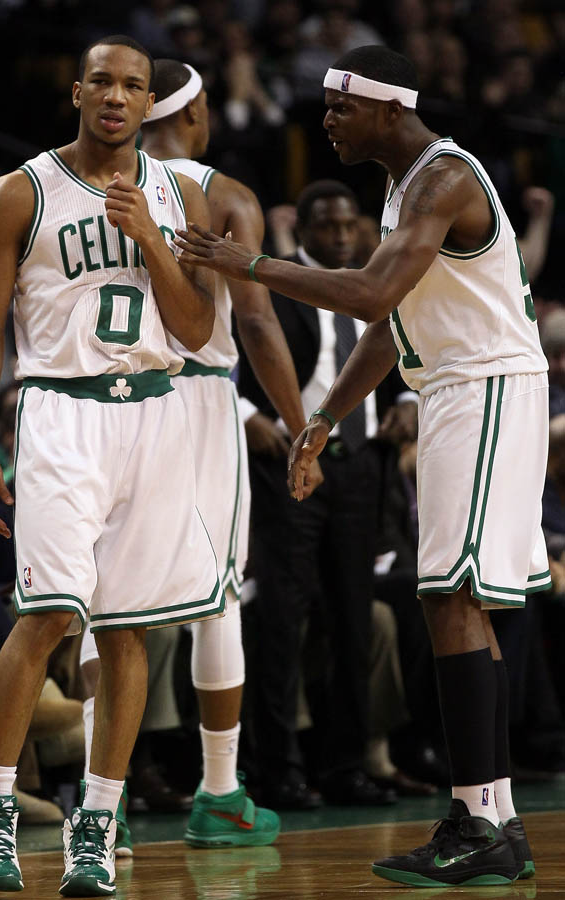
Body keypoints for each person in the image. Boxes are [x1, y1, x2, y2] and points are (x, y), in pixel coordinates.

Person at [175, 44, 550, 887]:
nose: (328, 124)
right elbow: (390, 325)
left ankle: (478, 818)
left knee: (450, 599)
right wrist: (326, 417)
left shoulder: (442, 178)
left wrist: (252, 266)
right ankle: (494, 820)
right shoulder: (405, 188)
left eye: (340, 109)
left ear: (386, 107)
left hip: (483, 385)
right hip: (458, 384)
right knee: (457, 602)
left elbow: (375, 296)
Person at [0, 34, 223, 897]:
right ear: (77, 92)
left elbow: (191, 330)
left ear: (152, 104)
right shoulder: (17, 193)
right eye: (102, 82)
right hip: (61, 412)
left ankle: (96, 829)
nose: (116, 96)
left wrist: (149, 236)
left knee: (128, 629)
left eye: (134, 86)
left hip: (156, 410)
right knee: (46, 615)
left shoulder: (181, 197)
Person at [78, 56, 318, 850]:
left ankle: (96, 806)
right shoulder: (221, 194)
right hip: (197, 400)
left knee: (104, 610)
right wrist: (300, 421)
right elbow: (253, 322)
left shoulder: (90, 184)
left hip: (98, 405)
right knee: (214, 598)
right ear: (196, 112)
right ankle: (220, 792)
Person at [236, 178, 416, 808]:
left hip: (362, 466)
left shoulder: (377, 284)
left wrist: (411, 400)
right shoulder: (284, 286)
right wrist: (242, 413)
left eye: (348, 226)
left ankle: (348, 764)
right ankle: (277, 769)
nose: (340, 236)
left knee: (353, 617)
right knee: (284, 617)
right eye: (327, 227)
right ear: (303, 230)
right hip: (293, 461)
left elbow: (400, 353)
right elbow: (234, 363)